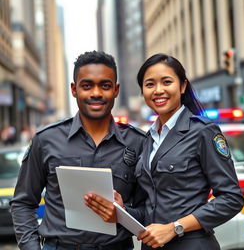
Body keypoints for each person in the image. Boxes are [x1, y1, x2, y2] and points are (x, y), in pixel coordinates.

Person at [85, 53, 244, 250]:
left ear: (182, 86)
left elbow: (231, 199)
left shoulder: (202, 132)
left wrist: (174, 228)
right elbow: (150, 211)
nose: (158, 90)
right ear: (143, 91)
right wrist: (122, 210)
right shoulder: (149, 139)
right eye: (150, 84)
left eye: (166, 82)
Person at [10, 51, 146, 250]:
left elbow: (150, 209)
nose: (96, 93)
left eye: (105, 86)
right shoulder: (46, 140)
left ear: (116, 90)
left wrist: (124, 213)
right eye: (87, 85)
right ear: (74, 89)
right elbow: (23, 203)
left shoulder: (138, 142)